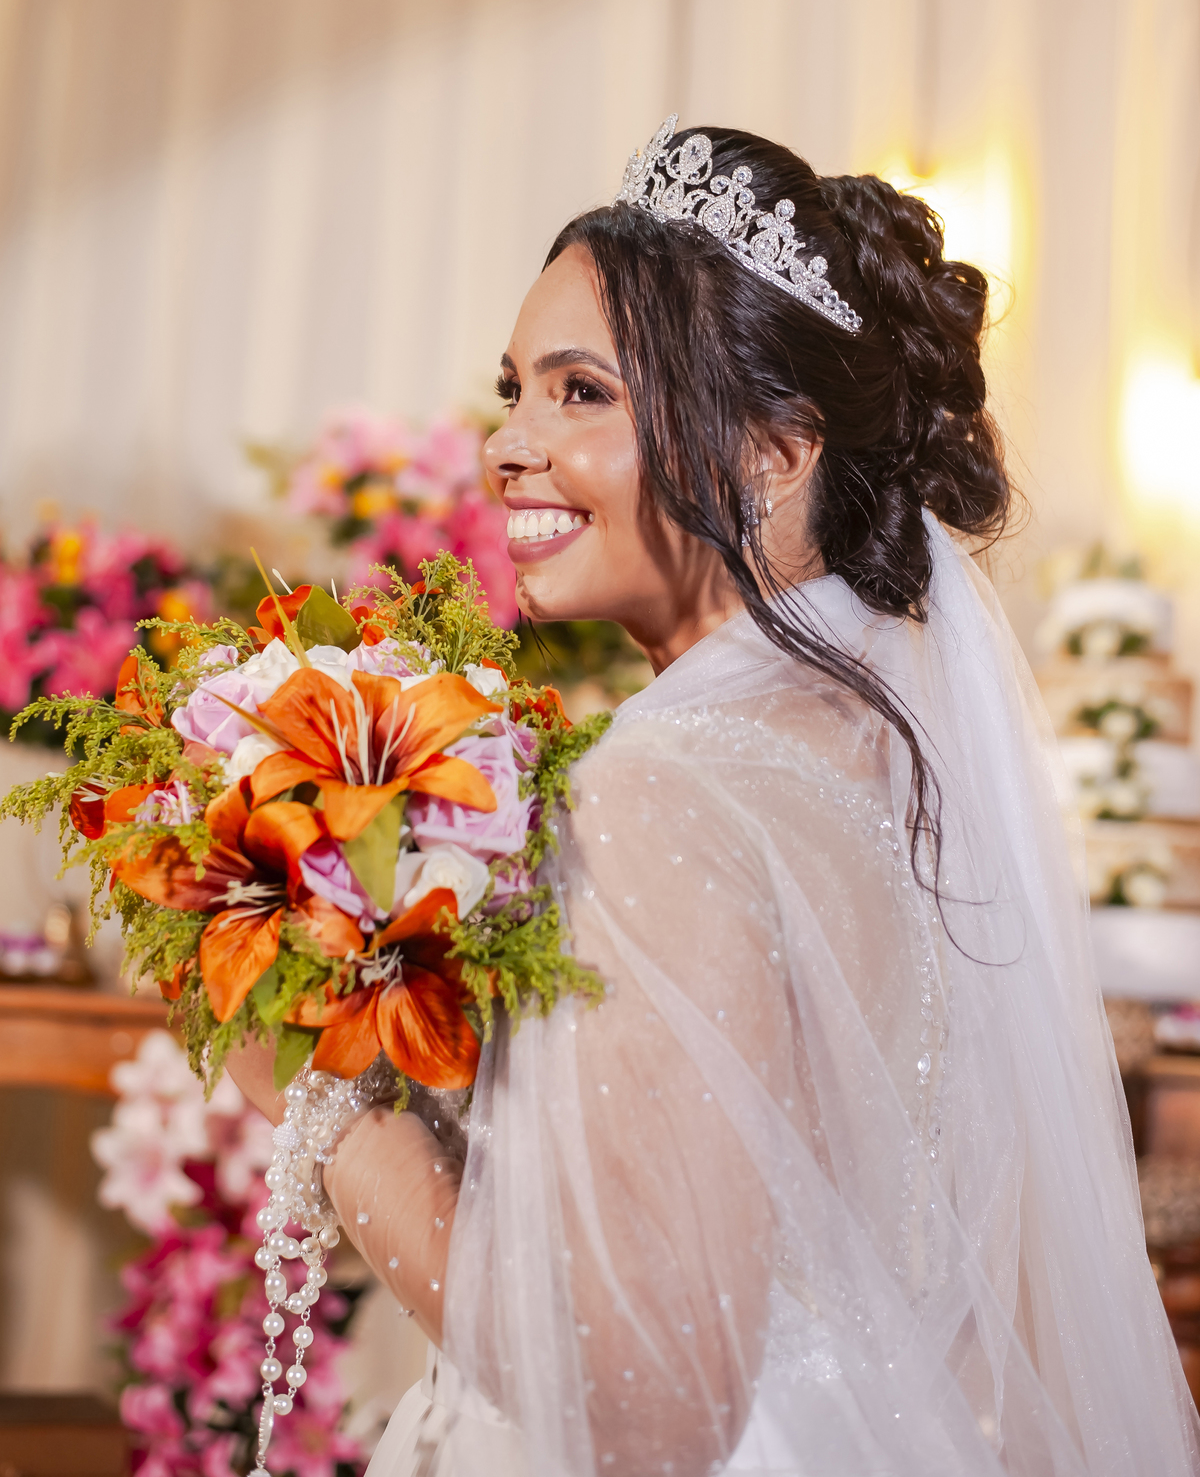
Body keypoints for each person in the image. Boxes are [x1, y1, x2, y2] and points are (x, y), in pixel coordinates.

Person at [230, 118, 1200, 1475]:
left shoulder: (666, 788)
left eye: (582, 394)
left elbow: (643, 1404)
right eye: (511, 389)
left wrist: (326, 1101)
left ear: (774, 450)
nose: (507, 444)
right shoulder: (879, 757)